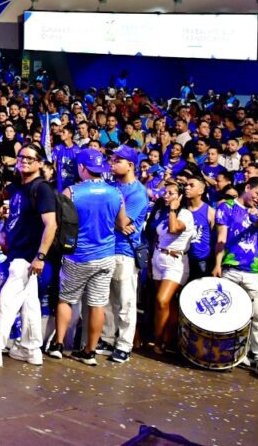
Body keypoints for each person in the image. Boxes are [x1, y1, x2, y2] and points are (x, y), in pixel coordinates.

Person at [0, 142, 56, 368]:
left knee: (7, 301)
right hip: (18, 251)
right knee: (29, 304)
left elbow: (51, 225)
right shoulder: (19, 184)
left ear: (40, 163)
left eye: (30, 158)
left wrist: (40, 256)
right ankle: (32, 349)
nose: (24, 161)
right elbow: (0, 195)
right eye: (21, 157)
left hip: (29, 256)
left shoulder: (42, 189)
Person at [50, 148, 129, 365]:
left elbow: (58, 224)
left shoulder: (71, 192)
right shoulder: (116, 193)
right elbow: (122, 224)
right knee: (97, 304)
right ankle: (90, 352)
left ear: (82, 167)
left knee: (66, 299)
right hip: (105, 256)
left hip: (77, 255)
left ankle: (57, 345)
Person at [213, 176, 258, 378]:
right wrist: (217, 264)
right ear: (247, 188)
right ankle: (226, 354)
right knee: (227, 313)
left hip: (251, 271)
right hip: (230, 268)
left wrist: (257, 217)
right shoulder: (226, 207)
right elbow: (222, 236)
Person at [100, 145, 149, 364]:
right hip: (107, 247)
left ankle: (124, 344)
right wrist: (116, 220)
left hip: (125, 251)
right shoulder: (110, 185)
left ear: (130, 165)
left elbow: (123, 222)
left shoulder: (138, 192)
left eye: (117, 160)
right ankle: (107, 338)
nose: (112, 163)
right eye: (112, 159)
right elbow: (101, 215)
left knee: (125, 302)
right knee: (107, 300)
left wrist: (117, 212)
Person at [148, 179, 193, 355]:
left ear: (180, 196)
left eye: (171, 193)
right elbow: (157, 236)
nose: (166, 196)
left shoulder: (185, 214)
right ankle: (169, 339)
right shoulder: (164, 212)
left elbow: (174, 229)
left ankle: (158, 341)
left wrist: (173, 209)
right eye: (166, 193)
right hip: (159, 258)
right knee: (166, 305)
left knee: (162, 300)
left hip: (175, 261)